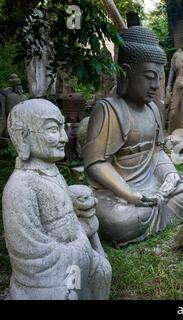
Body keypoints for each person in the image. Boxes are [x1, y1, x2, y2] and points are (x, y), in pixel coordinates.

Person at [82, 26, 183, 246]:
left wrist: (170, 175)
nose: (155, 85)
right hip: (117, 192)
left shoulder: (153, 110)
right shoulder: (108, 109)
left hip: (151, 185)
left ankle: (155, 210)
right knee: (120, 221)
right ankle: (148, 215)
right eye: (149, 77)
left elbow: (157, 151)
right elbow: (96, 164)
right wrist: (129, 195)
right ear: (126, 72)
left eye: (159, 77)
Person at [3, 99, 111, 300]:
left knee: (102, 270)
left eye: (62, 128)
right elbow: (29, 254)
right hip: (42, 281)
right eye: (53, 130)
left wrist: (75, 201)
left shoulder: (52, 172)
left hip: (72, 262)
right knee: (64, 296)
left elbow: (57, 205)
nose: (64, 138)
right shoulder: (20, 187)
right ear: (23, 137)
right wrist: (81, 239)